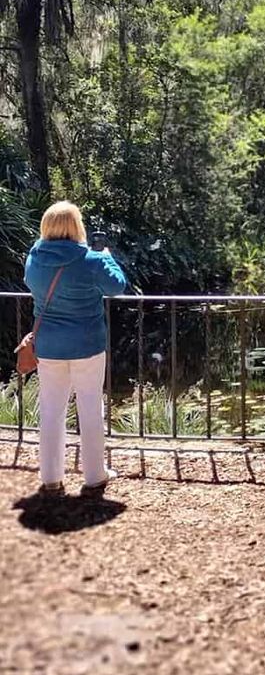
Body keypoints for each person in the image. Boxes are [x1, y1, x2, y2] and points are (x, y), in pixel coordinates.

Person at [23, 201, 127, 496]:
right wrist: (106, 257)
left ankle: (52, 478)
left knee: (52, 412)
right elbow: (117, 286)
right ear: (76, 226)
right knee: (91, 408)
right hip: (87, 345)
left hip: (49, 347)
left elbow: (31, 281)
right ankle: (95, 475)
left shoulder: (34, 259)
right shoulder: (91, 260)